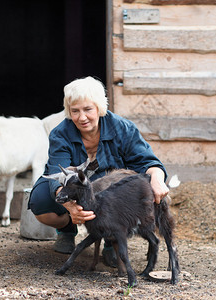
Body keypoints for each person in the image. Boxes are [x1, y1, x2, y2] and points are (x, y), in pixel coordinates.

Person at [28, 76, 169, 266]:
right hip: (72, 188)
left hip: (107, 191)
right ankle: (67, 229)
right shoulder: (60, 133)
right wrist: (70, 207)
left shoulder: (123, 129)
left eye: (88, 109)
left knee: (117, 191)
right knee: (41, 202)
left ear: (99, 108)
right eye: (75, 111)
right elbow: (57, 173)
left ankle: (110, 240)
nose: (82, 117)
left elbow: (148, 162)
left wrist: (157, 180)